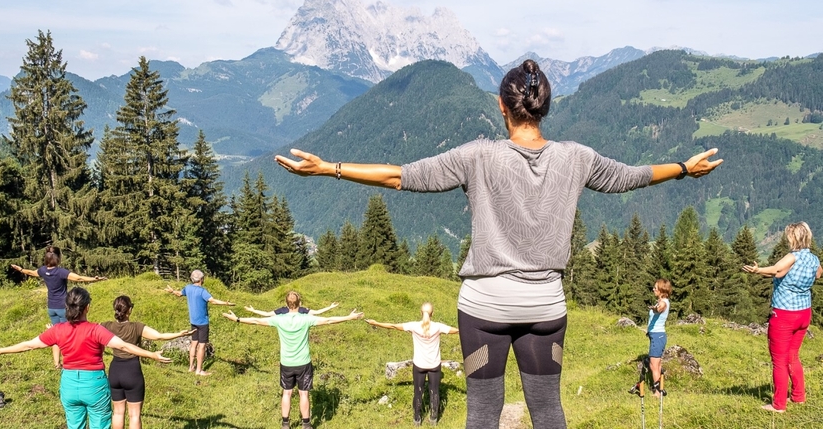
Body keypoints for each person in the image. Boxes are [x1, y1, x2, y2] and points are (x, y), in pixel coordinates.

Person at [275, 59, 723, 428]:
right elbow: (632, 176)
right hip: (546, 308)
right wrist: (685, 167)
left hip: (484, 309)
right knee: (548, 410)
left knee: (483, 414)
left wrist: (328, 167)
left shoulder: (477, 155)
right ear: (546, 105)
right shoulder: (576, 158)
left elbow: (400, 175)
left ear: (501, 107)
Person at [0, 287, 172, 429]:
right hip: (94, 384)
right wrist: (151, 355)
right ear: (87, 307)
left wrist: (0, 349)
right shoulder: (96, 329)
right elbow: (123, 345)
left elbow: (29, 344)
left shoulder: (58, 330)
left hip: (69, 384)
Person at [223, 291, 363, 429]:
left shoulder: (279, 319)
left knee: (287, 393)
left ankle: (285, 424)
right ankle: (306, 424)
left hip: (286, 363)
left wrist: (237, 319)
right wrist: (350, 317)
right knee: (304, 394)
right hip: (303, 363)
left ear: (286, 304)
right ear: (300, 304)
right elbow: (328, 320)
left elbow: (256, 321)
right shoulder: (306, 318)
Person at [742, 222, 822, 413]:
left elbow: (777, 269)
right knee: (793, 356)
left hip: (785, 314)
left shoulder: (792, 256)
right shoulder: (813, 259)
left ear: (793, 238)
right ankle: (798, 396)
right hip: (804, 313)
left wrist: (757, 270)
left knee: (779, 360)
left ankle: (778, 404)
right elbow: (819, 275)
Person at [100, 296, 195, 429]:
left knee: (117, 413)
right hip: (132, 371)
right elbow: (159, 336)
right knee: (134, 415)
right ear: (130, 310)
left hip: (115, 371)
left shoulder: (107, 326)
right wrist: (180, 334)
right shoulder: (137, 327)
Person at [11, 246, 107, 368]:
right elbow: (79, 278)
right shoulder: (60, 272)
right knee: (69, 333)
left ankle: (56, 363)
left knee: (56, 334)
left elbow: (30, 272)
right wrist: (94, 279)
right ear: (58, 258)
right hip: (63, 308)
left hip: (51, 308)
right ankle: (70, 359)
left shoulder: (43, 270)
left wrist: (20, 269)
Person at [366, 302, 459, 426]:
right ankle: (433, 419)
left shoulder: (414, 326)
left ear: (420, 313)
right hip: (434, 366)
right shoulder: (438, 327)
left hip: (419, 365)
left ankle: (417, 419)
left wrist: (376, 323)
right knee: (434, 392)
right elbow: (457, 331)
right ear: (433, 313)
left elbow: (393, 326)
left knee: (418, 392)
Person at [164, 269, 234, 375]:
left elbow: (179, 294)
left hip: (193, 321)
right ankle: (199, 370)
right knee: (201, 346)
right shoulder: (202, 291)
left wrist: (172, 291)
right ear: (201, 279)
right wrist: (226, 303)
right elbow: (213, 301)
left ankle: (191, 367)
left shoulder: (188, 288)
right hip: (202, 322)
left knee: (194, 343)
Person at [645, 279, 672, 397]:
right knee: (657, 364)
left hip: (658, 336)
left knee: (653, 365)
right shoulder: (660, 301)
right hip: (656, 335)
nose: (653, 289)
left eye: (655, 288)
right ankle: (660, 388)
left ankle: (657, 392)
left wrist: (654, 308)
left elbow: (661, 308)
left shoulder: (663, 302)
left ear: (662, 289)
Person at [244, 301, 339, 316]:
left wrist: (253, 310)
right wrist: (330, 307)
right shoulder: (302, 310)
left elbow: (267, 314)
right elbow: (317, 312)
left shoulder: (282, 310)